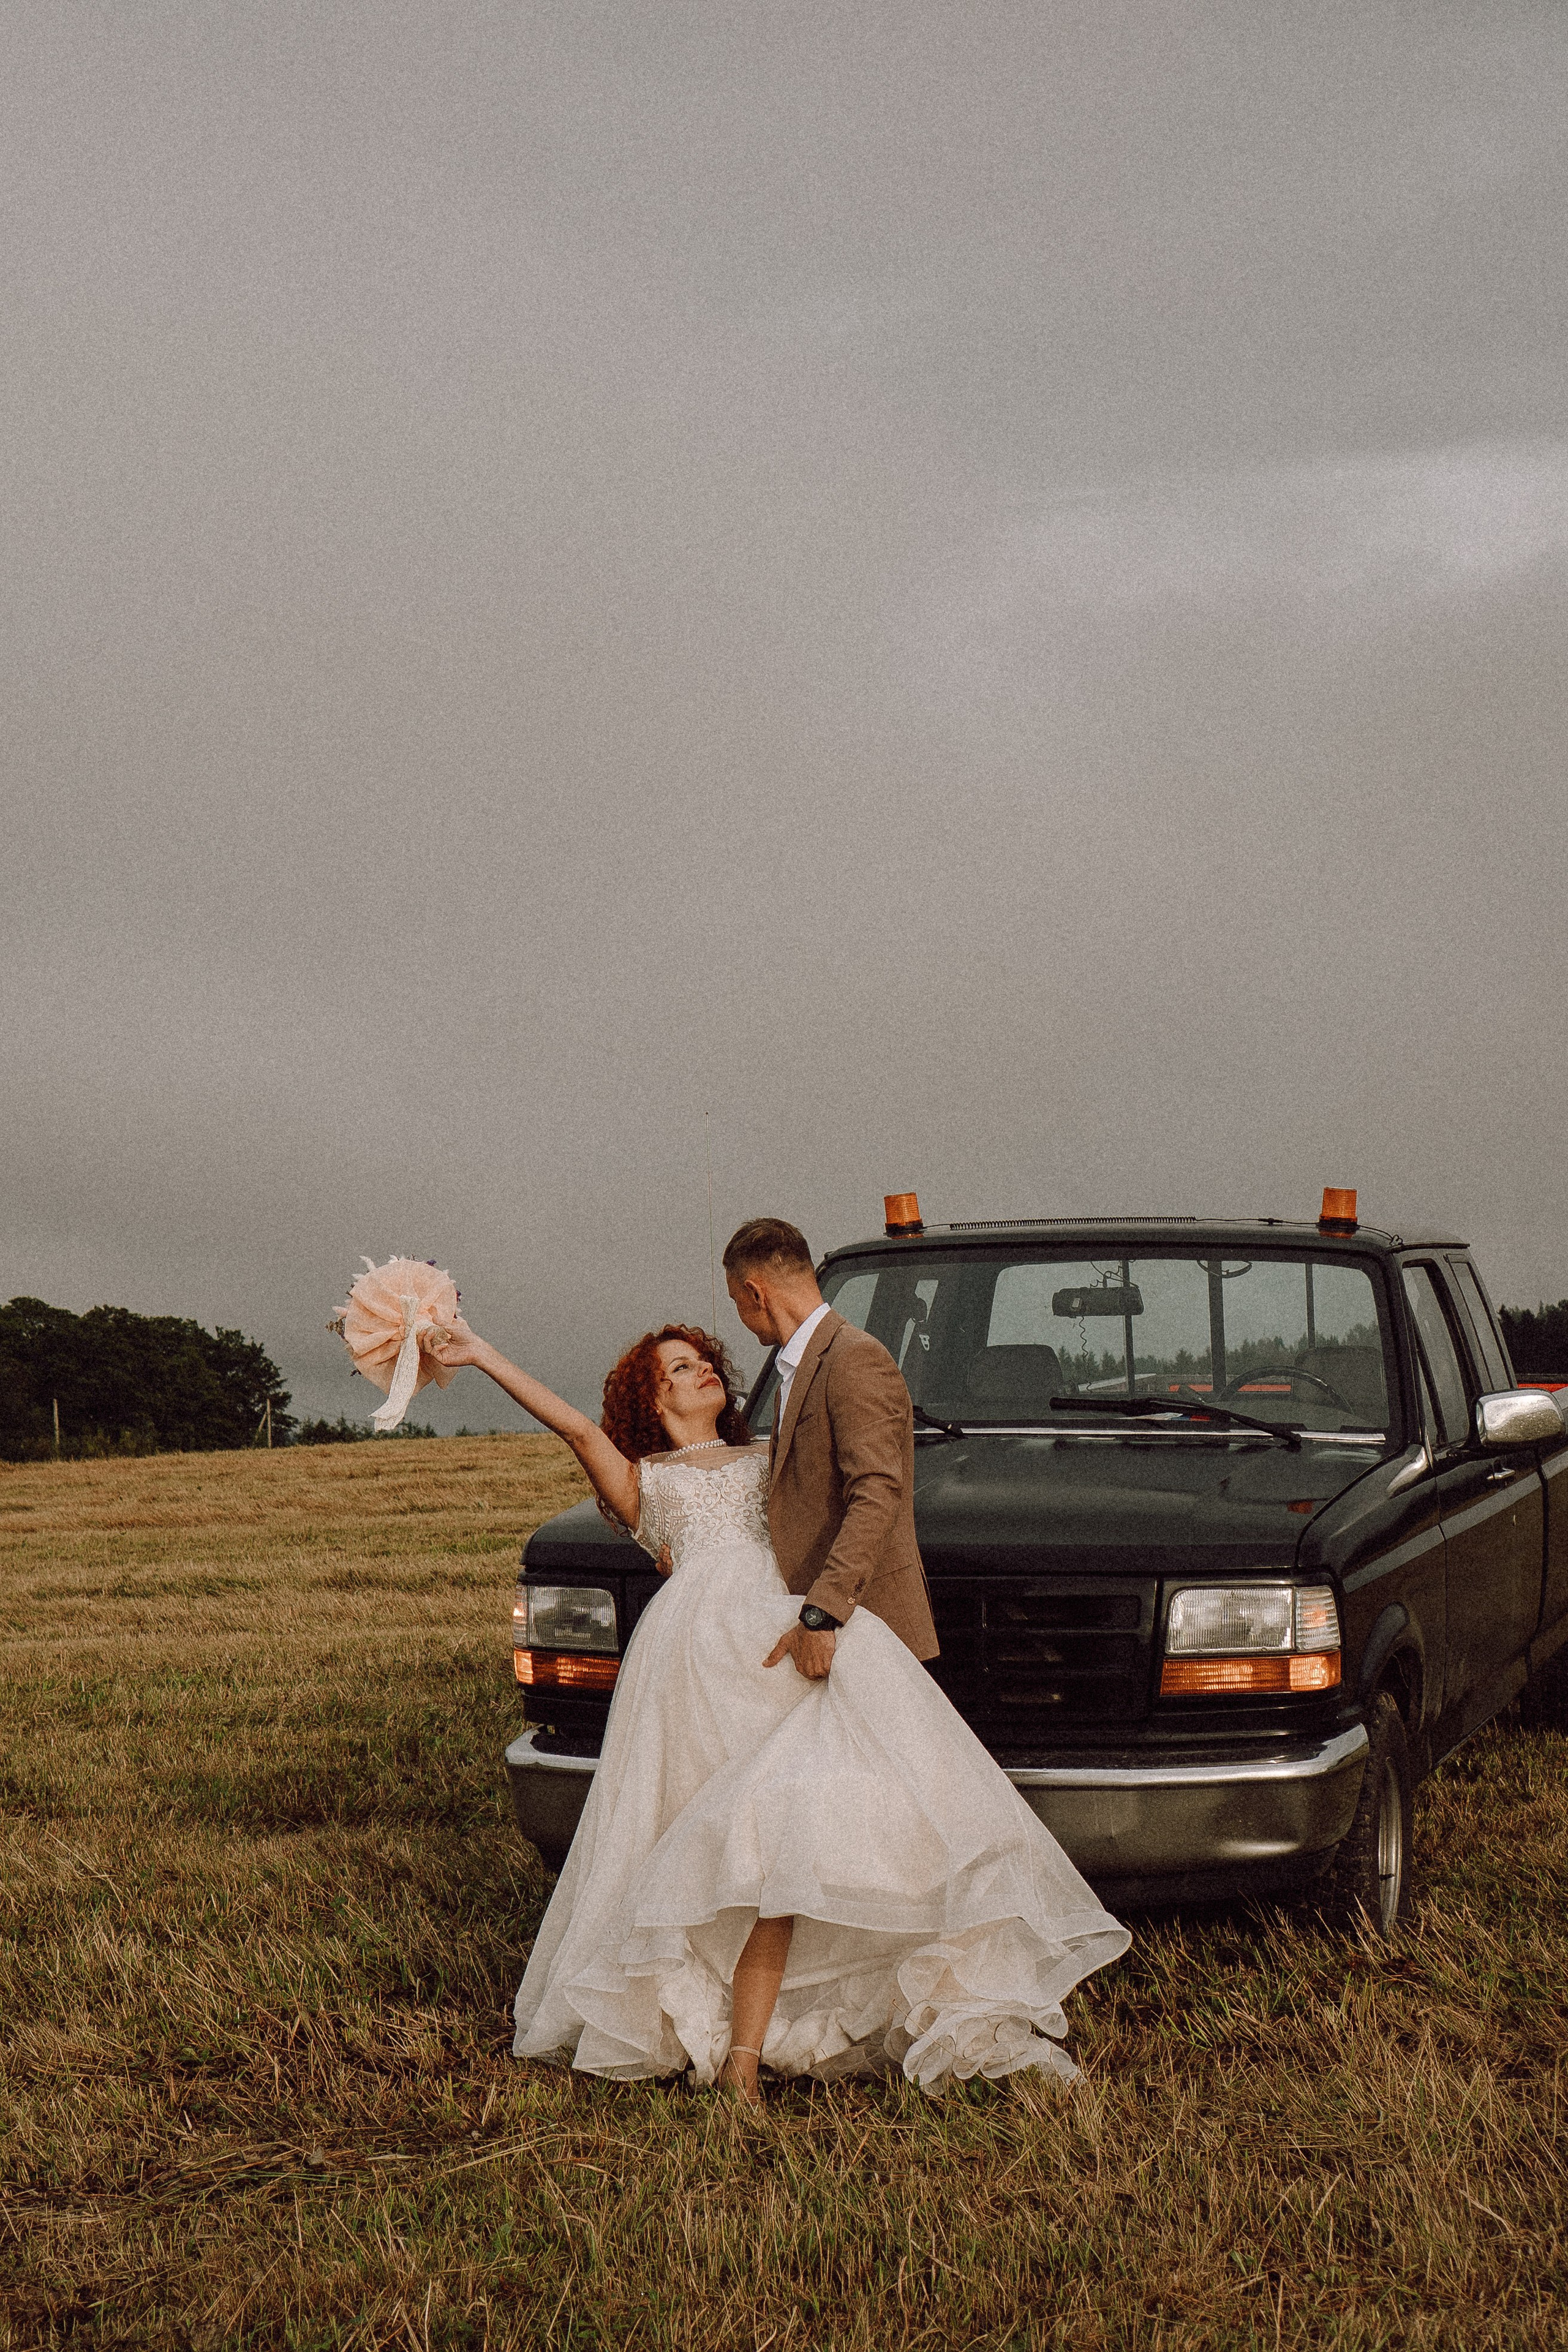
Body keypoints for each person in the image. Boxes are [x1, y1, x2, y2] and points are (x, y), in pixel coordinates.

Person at [428, 1258, 1128, 2103]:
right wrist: (477, 1351)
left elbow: (853, 1480)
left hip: (797, 1639)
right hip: (703, 1667)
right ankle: (741, 2062)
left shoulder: (771, 1455)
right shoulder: (642, 1485)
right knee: (739, 1848)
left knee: (820, 1824)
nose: (702, 1371)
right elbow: (575, 1426)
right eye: (678, 1368)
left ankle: (806, 2033)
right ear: (651, 1402)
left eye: (704, 1358)